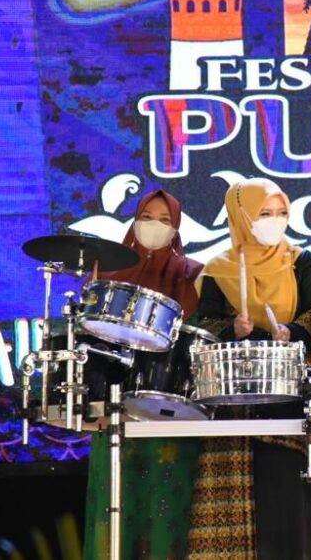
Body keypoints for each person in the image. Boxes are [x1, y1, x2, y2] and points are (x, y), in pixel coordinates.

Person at [185, 177, 311, 559]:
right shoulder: (219, 268)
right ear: (242, 217)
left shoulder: (300, 260)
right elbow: (206, 325)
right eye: (264, 213)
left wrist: (292, 332)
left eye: (281, 212)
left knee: (291, 496)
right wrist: (233, 331)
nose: (275, 220)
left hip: (292, 393)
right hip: (236, 400)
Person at [82, 188, 203, 560]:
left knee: (168, 511)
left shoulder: (193, 274)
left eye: (165, 220)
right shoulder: (107, 274)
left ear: (177, 227)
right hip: (115, 414)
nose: (155, 226)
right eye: (147, 218)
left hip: (171, 414)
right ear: (134, 221)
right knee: (116, 507)